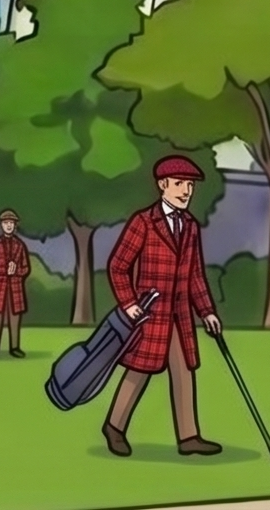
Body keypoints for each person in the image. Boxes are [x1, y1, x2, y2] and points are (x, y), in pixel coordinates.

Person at [100, 155, 223, 458]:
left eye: (190, 185)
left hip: (179, 316)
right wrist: (129, 303)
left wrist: (206, 311)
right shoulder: (143, 222)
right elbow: (117, 266)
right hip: (149, 316)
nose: (186, 191)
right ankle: (114, 426)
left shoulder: (191, 226)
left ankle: (188, 436)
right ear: (162, 185)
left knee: (184, 372)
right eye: (179, 184)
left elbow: (194, 274)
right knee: (139, 371)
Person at [0, 208, 31, 358]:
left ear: (15, 225)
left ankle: (14, 347)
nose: (9, 225)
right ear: (1, 225)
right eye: (6, 223)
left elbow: (26, 268)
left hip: (15, 288)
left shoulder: (20, 245)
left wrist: (17, 271)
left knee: (15, 319)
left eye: (11, 223)